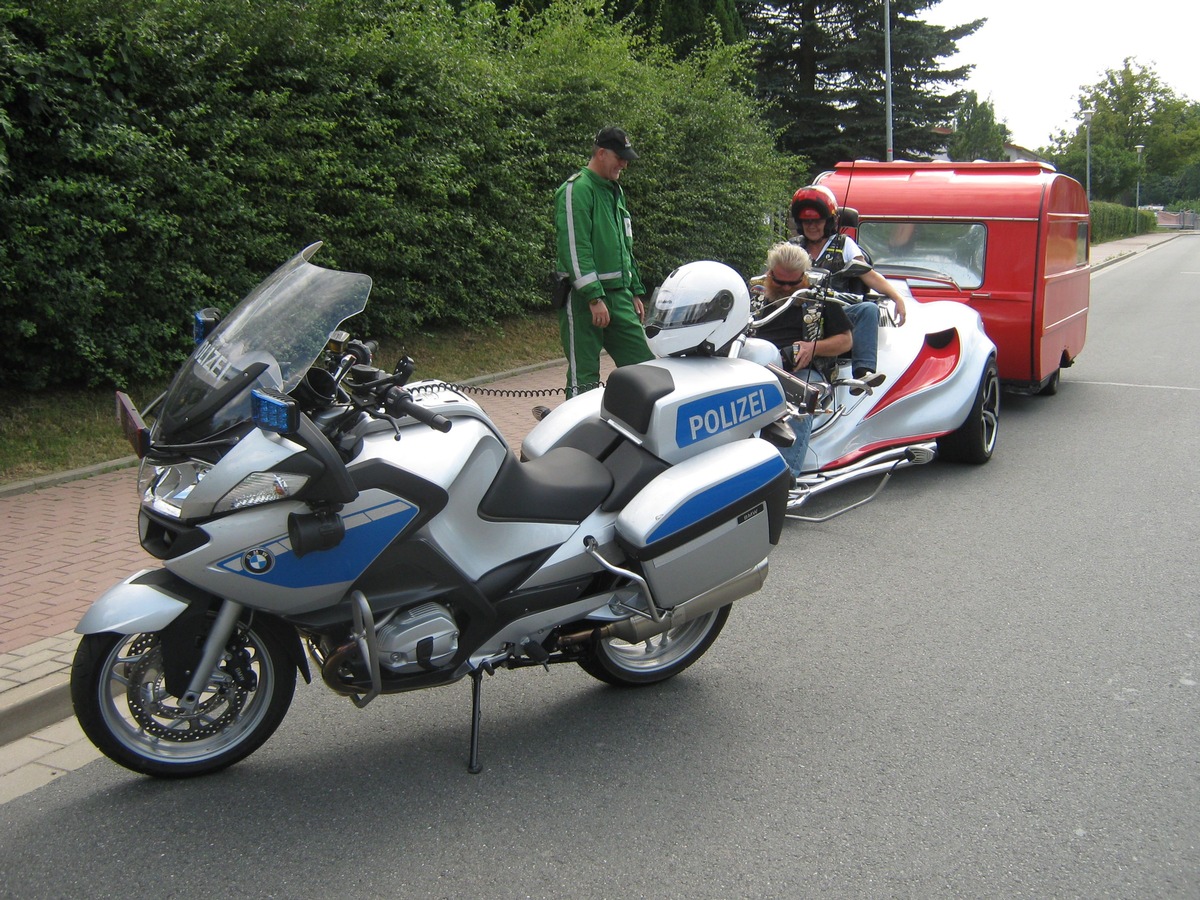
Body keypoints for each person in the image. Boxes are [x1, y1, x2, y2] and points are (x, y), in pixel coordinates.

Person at [554, 126, 654, 397]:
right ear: (601, 153)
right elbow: (575, 248)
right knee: (584, 377)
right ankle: (577, 435)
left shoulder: (614, 190)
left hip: (619, 294)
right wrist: (593, 297)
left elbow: (625, 243)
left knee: (647, 365)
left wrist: (633, 289)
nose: (624, 163)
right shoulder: (577, 189)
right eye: (619, 157)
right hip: (583, 299)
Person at [789, 185, 908, 387]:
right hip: (798, 314)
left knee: (868, 309)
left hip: (835, 314)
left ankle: (863, 373)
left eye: (817, 221)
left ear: (829, 221)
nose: (812, 226)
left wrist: (897, 297)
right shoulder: (793, 247)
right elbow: (773, 275)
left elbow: (867, 274)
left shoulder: (844, 244)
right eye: (806, 221)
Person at [752, 241, 852, 477]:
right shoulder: (751, 294)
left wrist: (813, 347)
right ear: (769, 273)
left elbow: (846, 340)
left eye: (793, 282)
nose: (786, 288)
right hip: (754, 365)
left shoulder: (820, 296)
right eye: (779, 282)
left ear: (804, 277)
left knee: (800, 402)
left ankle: (783, 480)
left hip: (802, 370)